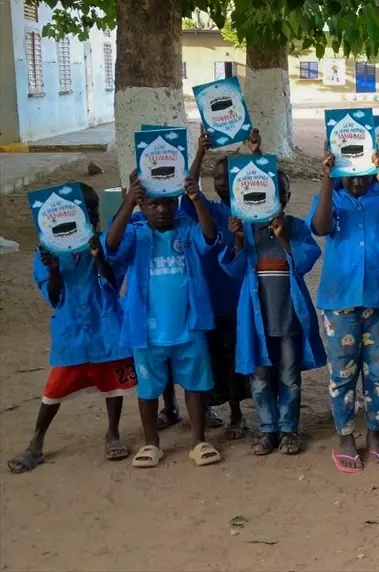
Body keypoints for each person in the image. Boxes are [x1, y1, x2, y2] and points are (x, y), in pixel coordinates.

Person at [8, 184, 136, 473]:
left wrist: (97, 255)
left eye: (93, 210)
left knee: (112, 382)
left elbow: (114, 282)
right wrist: (53, 268)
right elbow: (54, 297)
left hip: (105, 326)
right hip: (71, 332)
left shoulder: (102, 242)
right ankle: (36, 441)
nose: (90, 216)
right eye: (83, 210)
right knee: (55, 387)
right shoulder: (48, 254)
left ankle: (112, 432)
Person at [106, 172, 221, 468]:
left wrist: (196, 200)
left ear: (177, 203)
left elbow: (209, 237)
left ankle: (198, 441)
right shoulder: (137, 232)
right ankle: (151, 444)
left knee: (195, 386)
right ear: (143, 208)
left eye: (168, 204)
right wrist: (129, 200)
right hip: (146, 332)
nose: (161, 210)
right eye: (153, 205)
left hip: (189, 326)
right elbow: (111, 243)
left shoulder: (187, 228)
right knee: (147, 389)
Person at [309, 151, 379, 473]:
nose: (355, 181)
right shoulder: (332, 196)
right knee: (343, 374)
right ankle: (346, 437)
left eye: (362, 174)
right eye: (349, 174)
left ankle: (375, 434)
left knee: (377, 373)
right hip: (340, 302)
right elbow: (321, 226)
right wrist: (327, 179)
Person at [222, 170, 326, 456]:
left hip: (288, 316)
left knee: (289, 375)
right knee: (259, 375)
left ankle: (289, 429)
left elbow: (305, 261)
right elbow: (233, 270)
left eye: (278, 194)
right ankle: (268, 429)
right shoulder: (245, 228)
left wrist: (282, 239)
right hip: (255, 318)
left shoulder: (295, 227)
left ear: (286, 199)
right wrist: (239, 241)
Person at [178, 129, 256, 439]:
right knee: (206, 355)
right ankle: (208, 407)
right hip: (208, 297)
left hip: (238, 298)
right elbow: (188, 191)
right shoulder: (207, 210)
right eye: (218, 177)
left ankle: (237, 413)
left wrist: (252, 155)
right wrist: (199, 152)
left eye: (228, 176)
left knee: (235, 358)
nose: (222, 182)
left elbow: (264, 181)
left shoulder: (251, 209)